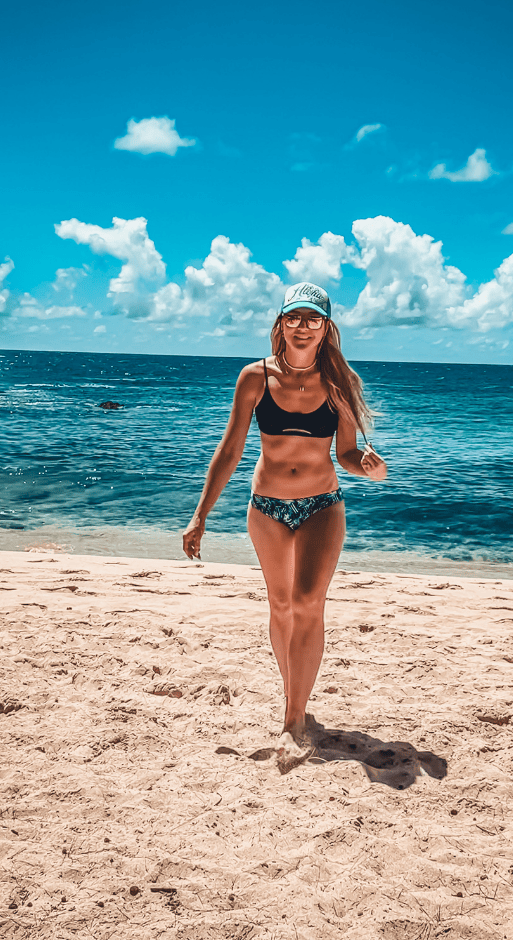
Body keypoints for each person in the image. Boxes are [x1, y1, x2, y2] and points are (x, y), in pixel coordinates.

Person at [183, 282, 387, 760]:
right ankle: (294, 691)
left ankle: (294, 720)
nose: (302, 326)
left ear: (326, 329)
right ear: (280, 325)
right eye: (293, 317)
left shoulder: (339, 385)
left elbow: (348, 454)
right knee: (280, 607)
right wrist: (200, 515)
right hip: (267, 508)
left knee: (307, 601)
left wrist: (368, 467)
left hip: (321, 506)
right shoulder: (254, 377)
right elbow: (231, 449)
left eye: (312, 319)